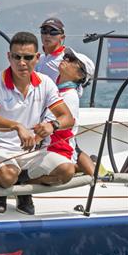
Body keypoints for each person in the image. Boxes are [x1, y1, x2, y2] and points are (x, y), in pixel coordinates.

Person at [0, 31, 76, 215]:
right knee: (7, 174)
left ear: (37, 58)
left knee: (68, 170)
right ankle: (5, 184)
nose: (22, 63)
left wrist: (51, 125)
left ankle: (20, 185)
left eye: (28, 57)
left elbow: (68, 118)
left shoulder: (45, 83)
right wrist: (17, 126)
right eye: (16, 57)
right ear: (9, 57)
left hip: (30, 155)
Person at [44, 48, 96, 176]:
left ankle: (87, 171)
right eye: (66, 56)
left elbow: (47, 125)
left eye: (72, 59)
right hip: (48, 149)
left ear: (80, 75)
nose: (65, 59)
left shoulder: (69, 96)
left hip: (56, 152)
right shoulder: (56, 91)